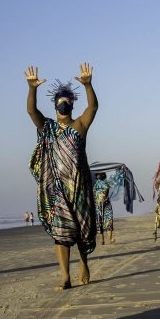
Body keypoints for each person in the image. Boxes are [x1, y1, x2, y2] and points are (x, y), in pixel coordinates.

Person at [26, 64, 98, 289]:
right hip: (56, 191)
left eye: (67, 101)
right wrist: (32, 89)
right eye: (59, 102)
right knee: (61, 232)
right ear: (55, 104)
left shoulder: (79, 126)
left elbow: (93, 108)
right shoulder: (46, 128)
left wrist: (88, 85)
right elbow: (31, 112)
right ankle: (65, 276)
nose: (63, 105)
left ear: (72, 104)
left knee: (83, 230)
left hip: (79, 188)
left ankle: (84, 261)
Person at [92, 172, 115, 245]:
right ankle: (109, 239)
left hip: (99, 206)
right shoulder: (105, 184)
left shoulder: (95, 185)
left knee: (100, 222)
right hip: (105, 205)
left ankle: (103, 240)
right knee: (108, 221)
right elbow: (106, 191)